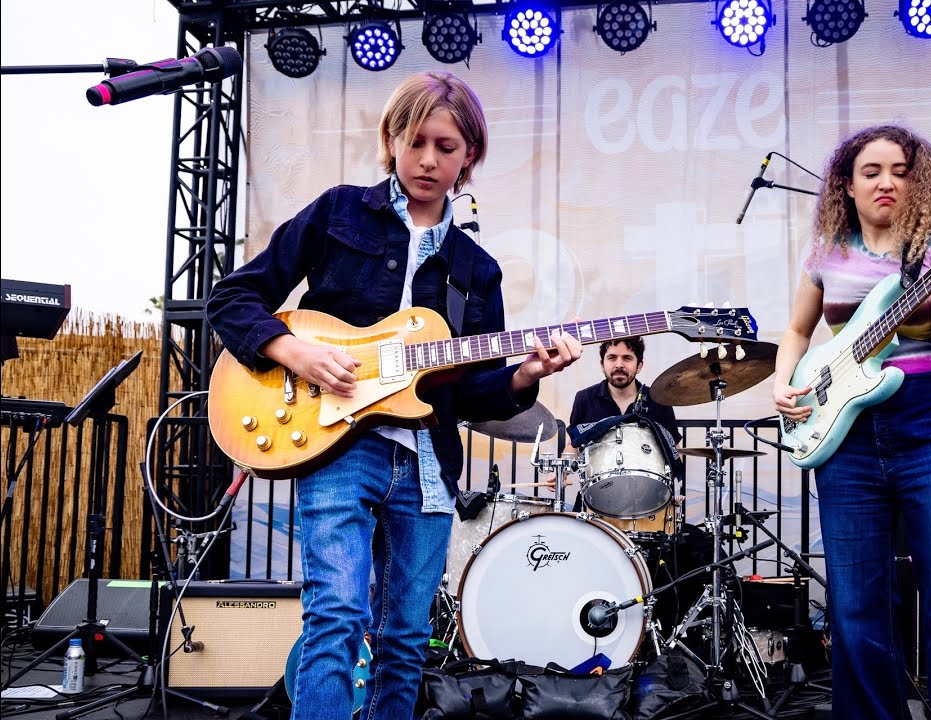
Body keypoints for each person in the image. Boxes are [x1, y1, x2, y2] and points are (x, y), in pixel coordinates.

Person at [206, 71, 582, 719]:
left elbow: (476, 393)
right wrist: (294, 350)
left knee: (406, 642)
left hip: (429, 466)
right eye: (417, 142)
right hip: (337, 446)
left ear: (470, 156)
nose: (429, 159)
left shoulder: (477, 271)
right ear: (391, 138)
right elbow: (234, 297)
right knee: (337, 619)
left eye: (447, 146)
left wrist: (525, 376)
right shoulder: (338, 212)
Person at [772, 125, 931, 719]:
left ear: (919, 182)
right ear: (847, 186)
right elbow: (800, 330)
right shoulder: (827, 252)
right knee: (856, 605)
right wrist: (784, 379)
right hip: (846, 436)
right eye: (872, 171)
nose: (886, 182)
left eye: (901, 171)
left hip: (930, 421)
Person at [568, 336, 679, 442]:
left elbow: (673, 448)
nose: (619, 365)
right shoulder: (584, 399)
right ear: (602, 365)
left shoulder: (659, 400)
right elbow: (572, 444)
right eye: (612, 358)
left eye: (627, 358)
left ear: (639, 366)